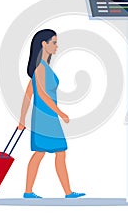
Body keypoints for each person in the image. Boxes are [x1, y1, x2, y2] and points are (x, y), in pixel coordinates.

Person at [18, 29, 85, 199]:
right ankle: (63, 192)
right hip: (45, 118)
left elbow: (28, 95)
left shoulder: (42, 68)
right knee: (52, 152)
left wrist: (22, 119)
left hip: (46, 118)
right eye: (54, 42)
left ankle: (31, 191)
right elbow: (42, 96)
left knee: (47, 152)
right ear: (44, 44)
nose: (57, 46)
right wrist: (61, 112)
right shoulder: (40, 69)